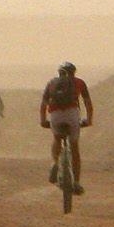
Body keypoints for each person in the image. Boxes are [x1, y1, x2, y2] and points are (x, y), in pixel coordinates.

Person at [40, 63, 93, 194]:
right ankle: (76, 182)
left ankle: (54, 163)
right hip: (72, 115)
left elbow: (43, 105)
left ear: (59, 73)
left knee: (57, 138)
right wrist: (89, 120)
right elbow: (88, 103)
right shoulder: (79, 83)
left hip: (56, 116)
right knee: (74, 147)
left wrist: (43, 120)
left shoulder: (52, 83)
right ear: (74, 72)